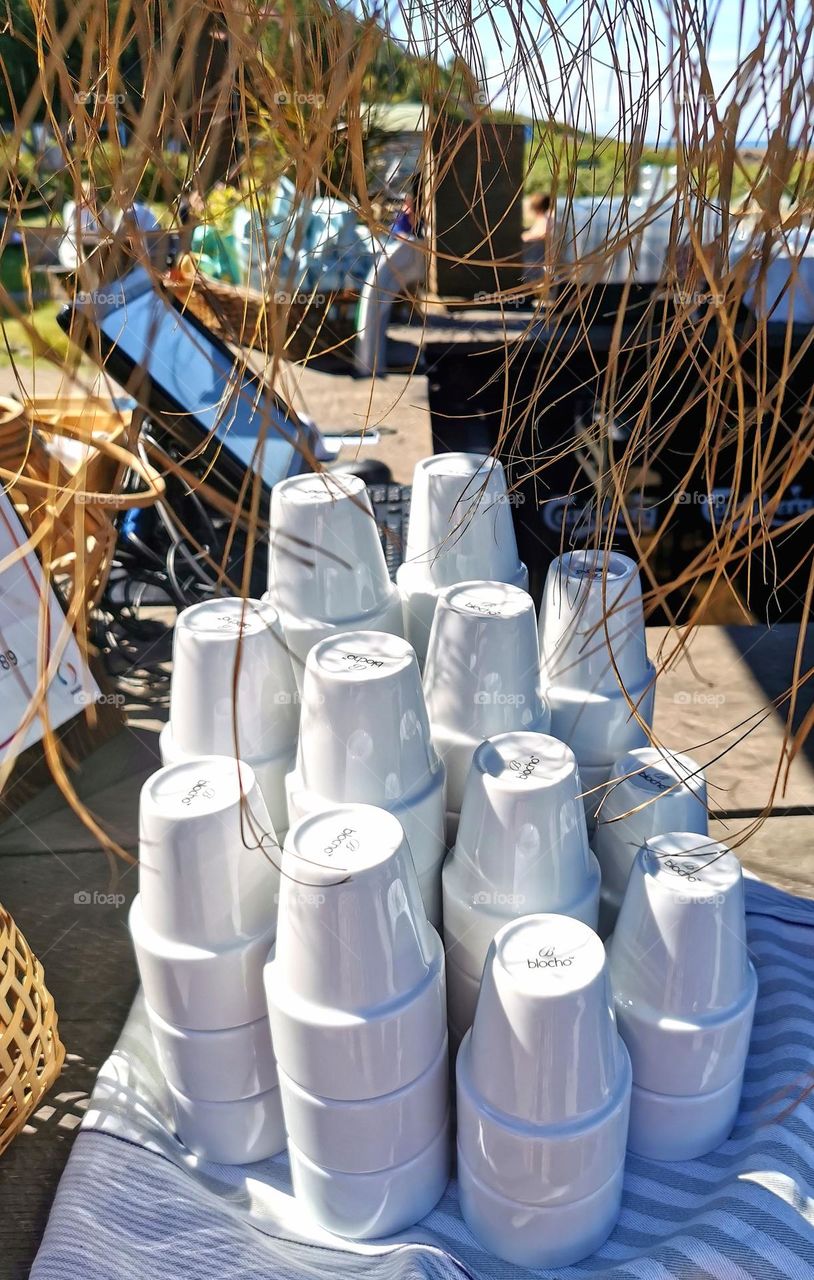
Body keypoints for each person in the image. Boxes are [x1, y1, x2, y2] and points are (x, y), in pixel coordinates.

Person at [354, 179, 425, 377]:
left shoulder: (412, 223)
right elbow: (399, 235)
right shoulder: (404, 220)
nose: (406, 207)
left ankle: (370, 363)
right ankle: (368, 364)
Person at [522, 192, 552, 282]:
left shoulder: (544, 221)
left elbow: (543, 234)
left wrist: (527, 237)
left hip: (539, 264)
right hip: (538, 263)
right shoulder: (544, 220)